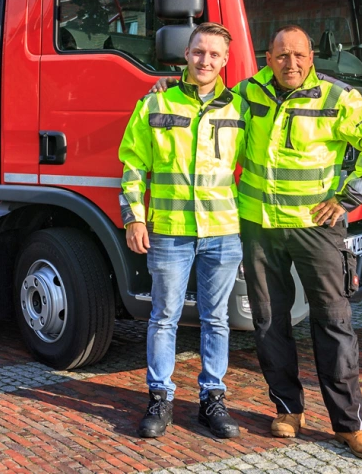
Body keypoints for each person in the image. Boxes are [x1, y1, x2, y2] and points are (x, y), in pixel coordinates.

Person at [150, 25, 362, 459]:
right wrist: (170, 85)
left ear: (311, 57)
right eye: (282, 55)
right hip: (258, 226)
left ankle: (349, 425)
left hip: (316, 227)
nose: (291, 63)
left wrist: (347, 198)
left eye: (299, 55)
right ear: (269, 58)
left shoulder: (337, 97)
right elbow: (205, 95)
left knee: (333, 321)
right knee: (269, 322)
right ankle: (287, 409)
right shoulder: (247, 93)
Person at [119, 22, 249, 439]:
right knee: (163, 318)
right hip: (170, 231)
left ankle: (213, 399)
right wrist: (134, 217)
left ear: (225, 60)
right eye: (198, 52)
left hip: (223, 230)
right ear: (186, 55)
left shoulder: (240, 109)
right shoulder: (156, 102)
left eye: (214, 54)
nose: (205, 60)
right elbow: (133, 165)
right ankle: (160, 398)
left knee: (217, 319)